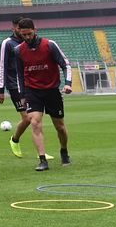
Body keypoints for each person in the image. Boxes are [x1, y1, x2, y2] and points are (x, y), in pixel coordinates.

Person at [14, 18, 73, 171]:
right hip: (32, 91)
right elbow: (20, 75)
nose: (27, 37)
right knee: (34, 122)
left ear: (35, 30)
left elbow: (65, 64)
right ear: (20, 32)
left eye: (29, 34)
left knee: (59, 127)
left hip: (52, 91)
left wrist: (68, 83)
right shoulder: (18, 50)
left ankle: (64, 151)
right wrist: (22, 95)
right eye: (24, 34)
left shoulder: (49, 45)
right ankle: (42, 159)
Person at [0, 16, 33, 158]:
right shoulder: (7, 43)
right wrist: (0, 90)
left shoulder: (29, 41)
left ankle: (40, 152)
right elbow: (2, 66)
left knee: (35, 118)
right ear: (13, 28)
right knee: (27, 118)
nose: (21, 31)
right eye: (19, 28)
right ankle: (14, 139)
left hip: (31, 84)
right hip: (14, 85)